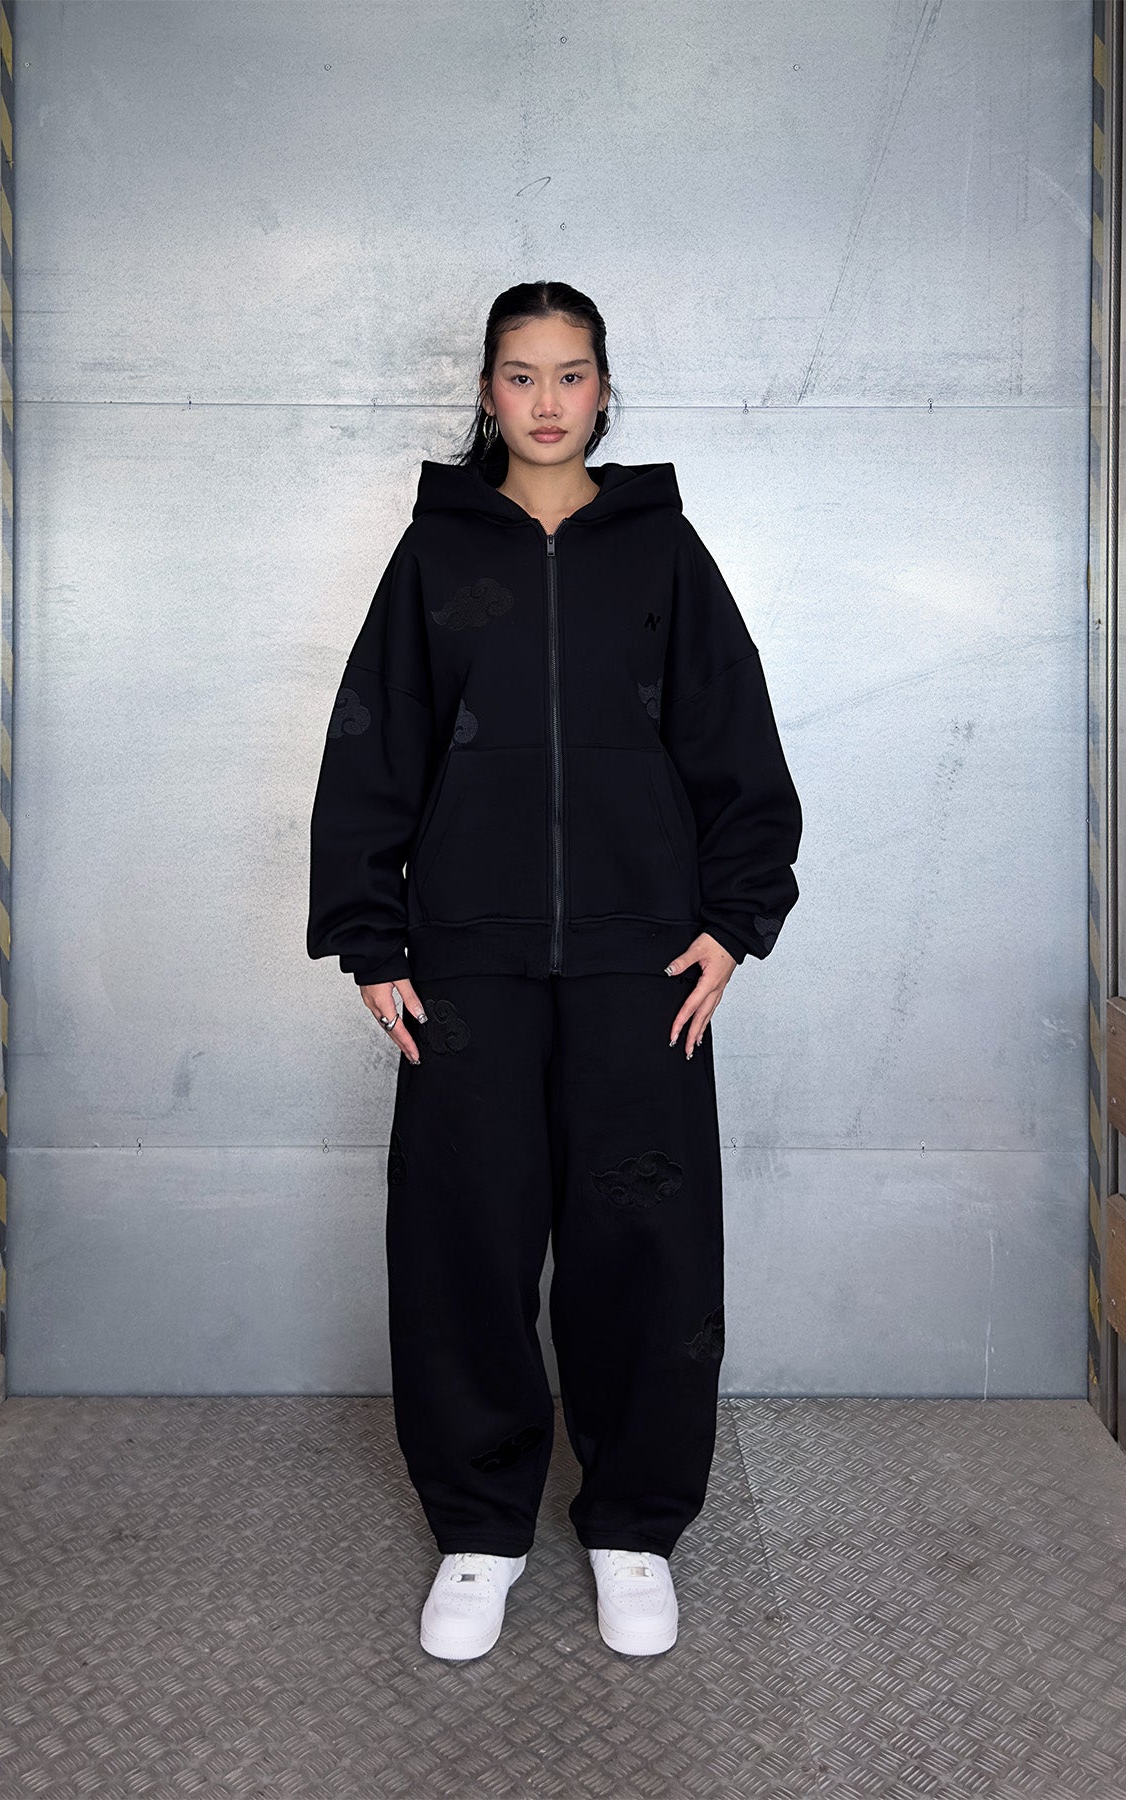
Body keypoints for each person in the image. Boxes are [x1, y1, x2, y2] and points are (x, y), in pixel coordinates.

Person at [307, 280, 802, 1661]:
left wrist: (734, 921)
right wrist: (370, 933)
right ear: (486, 393)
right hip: (467, 968)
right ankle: (480, 1529)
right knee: (461, 1242)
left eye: (570, 374)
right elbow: (375, 743)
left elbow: (738, 745)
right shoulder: (435, 554)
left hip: (645, 968)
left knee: (645, 1244)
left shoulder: (664, 555)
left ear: (603, 391)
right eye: (519, 375)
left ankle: (635, 1524)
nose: (545, 400)